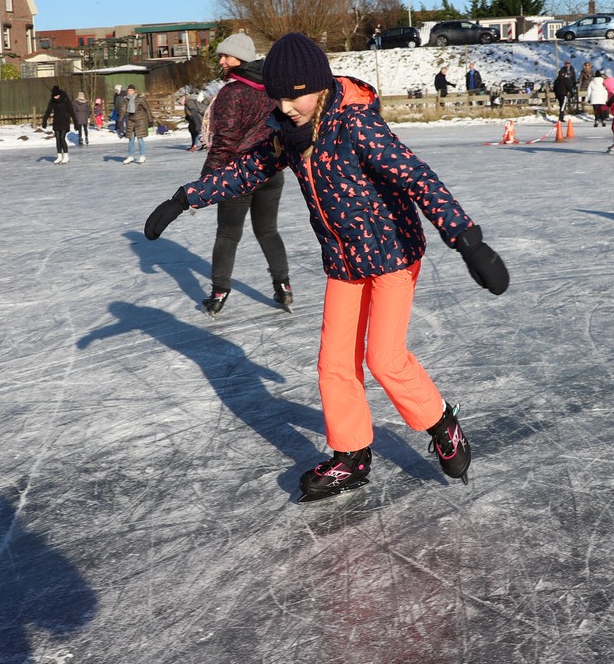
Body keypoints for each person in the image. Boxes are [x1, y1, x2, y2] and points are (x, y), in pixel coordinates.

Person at [141, 32, 509, 501]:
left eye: (293, 97)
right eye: (278, 98)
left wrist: (467, 240)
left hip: (392, 254)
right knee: (334, 363)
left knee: (384, 358)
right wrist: (184, 198)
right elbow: (246, 169)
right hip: (343, 260)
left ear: (317, 86)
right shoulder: (288, 134)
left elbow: (417, 178)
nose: (285, 107)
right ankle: (351, 455)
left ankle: (440, 422)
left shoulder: (356, 125)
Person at [195, 32, 291, 316]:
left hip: (238, 174)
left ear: (241, 59)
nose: (221, 61)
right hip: (270, 171)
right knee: (268, 231)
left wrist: (206, 180)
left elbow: (224, 141)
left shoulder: (232, 92)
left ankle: (219, 292)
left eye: (226, 56)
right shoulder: (272, 88)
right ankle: (283, 286)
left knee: (227, 234)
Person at [40, 84, 76, 164]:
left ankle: (66, 156)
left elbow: (71, 111)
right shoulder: (52, 100)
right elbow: (48, 110)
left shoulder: (65, 99)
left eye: (57, 96)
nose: (56, 97)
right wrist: (44, 120)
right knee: (57, 138)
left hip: (65, 121)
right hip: (56, 121)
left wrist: (75, 122)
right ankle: (59, 156)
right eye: (54, 96)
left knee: (62, 138)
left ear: (59, 94)